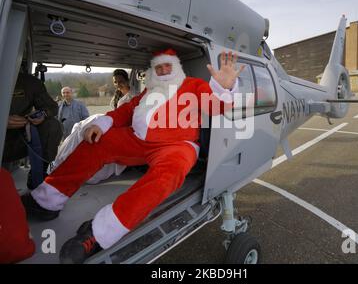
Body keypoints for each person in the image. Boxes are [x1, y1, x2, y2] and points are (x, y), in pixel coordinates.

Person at [21, 49, 243, 263]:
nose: (164, 71)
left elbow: (216, 107)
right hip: (138, 140)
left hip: (176, 144)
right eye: (159, 67)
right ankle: (47, 200)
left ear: (177, 69)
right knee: (99, 142)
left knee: (169, 175)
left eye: (168, 66)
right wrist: (102, 123)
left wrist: (225, 88)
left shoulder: (193, 85)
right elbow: (125, 111)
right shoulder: (148, 92)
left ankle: (99, 232)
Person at [2, 71, 63, 189]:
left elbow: (52, 107)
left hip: (20, 141)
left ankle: (41, 176)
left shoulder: (29, 82)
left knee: (53, 125)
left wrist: (43, 114)